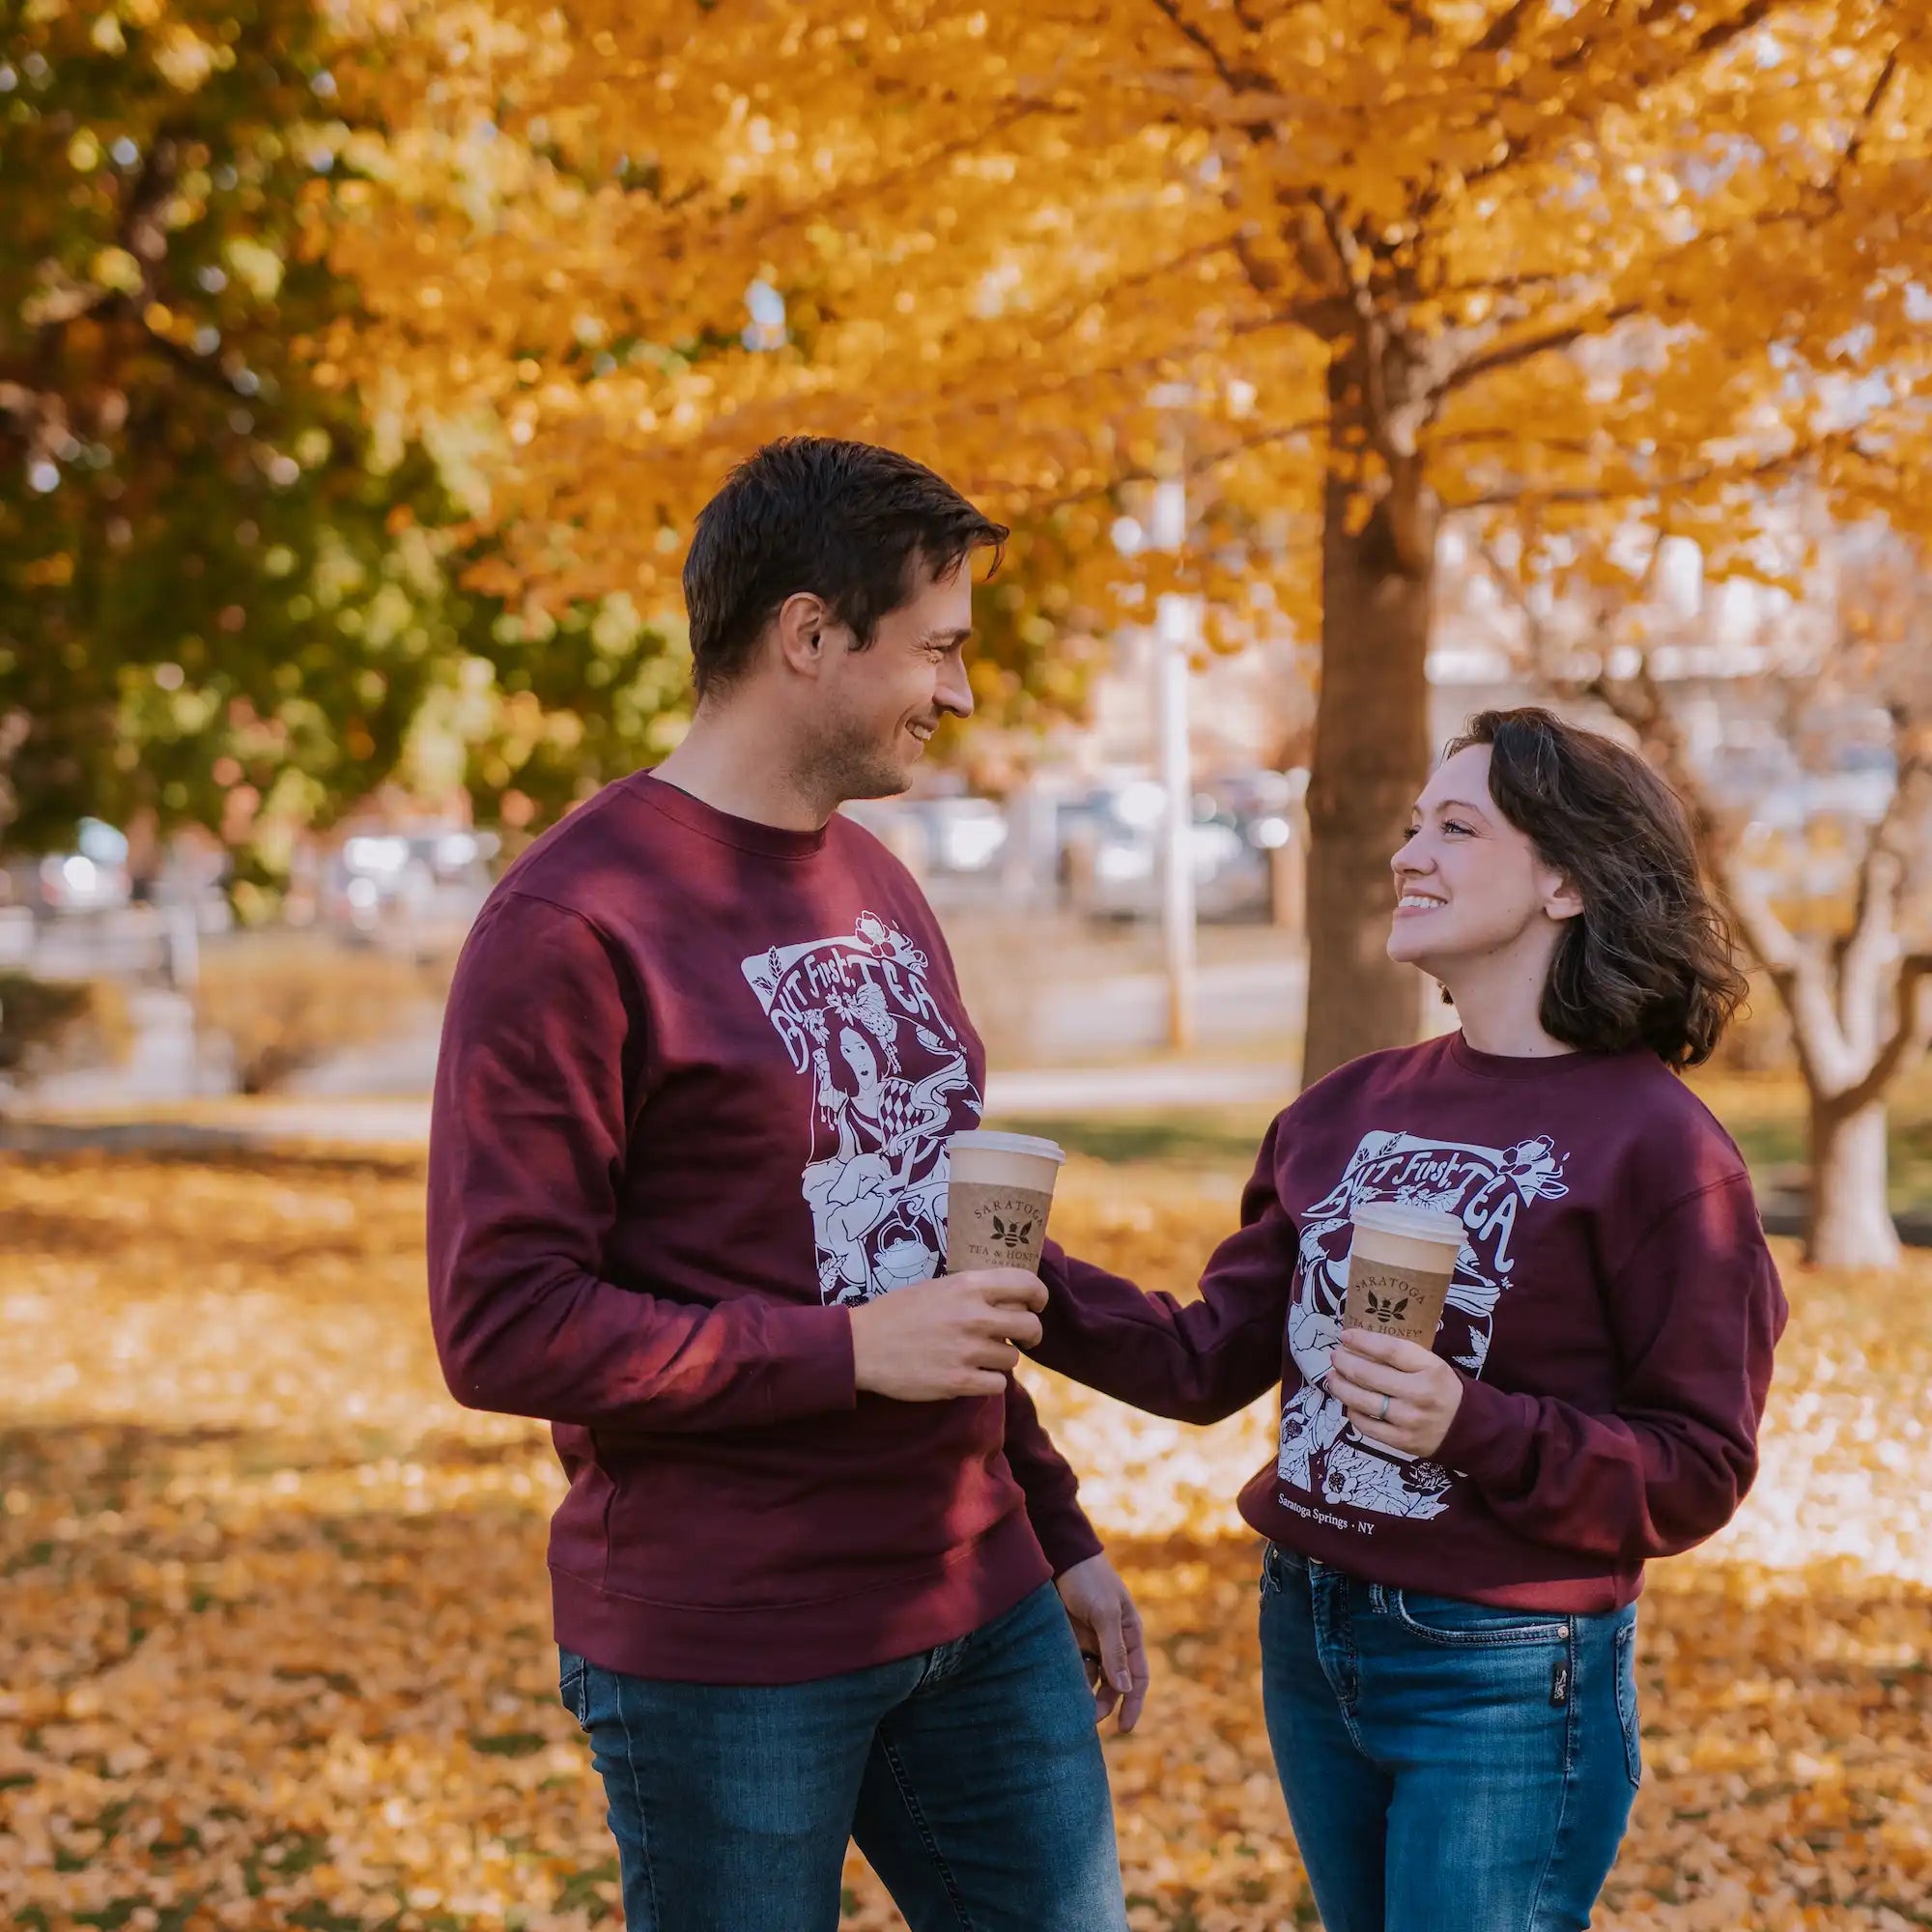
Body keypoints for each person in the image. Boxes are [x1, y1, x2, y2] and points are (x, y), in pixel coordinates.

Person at [426, 438, 1145, 1932]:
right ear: (809, 636)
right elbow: (502, 1323)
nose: (960, 694)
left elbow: (928, 1257)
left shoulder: (874, 883)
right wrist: (846, 1355)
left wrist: (1053, 1528)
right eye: (936, 650)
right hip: (731, 1647)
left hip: (978, 1599)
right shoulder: (572, 921)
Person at [1025, 706, 1789, 1932]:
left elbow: (1695, 1468)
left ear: (1561, 879)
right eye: (1408, 824)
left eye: (1454, 826)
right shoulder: (1340, 1110)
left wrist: (1468, 1423)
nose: (1406, 854)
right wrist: (1023, 1280)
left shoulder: (1661, 1152)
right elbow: (1202, 1354)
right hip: (1308, 1626)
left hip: (1497, 1665)